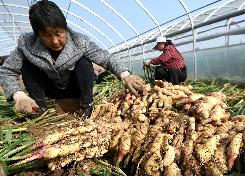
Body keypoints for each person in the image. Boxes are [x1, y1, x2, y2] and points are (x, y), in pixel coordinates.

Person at [0, 0, 144, 117]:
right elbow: (6, 71)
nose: (55, 41)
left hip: (75, 88)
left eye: (59, 33)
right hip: (49, 89)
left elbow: (106, 58)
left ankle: (87, 105)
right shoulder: (27, 44)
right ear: (37, 34)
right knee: (28, 66)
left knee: (83, 61)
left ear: (65, 27)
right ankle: (38, 109)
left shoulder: (79, 41)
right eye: (47, 36)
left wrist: (125, 75)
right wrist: (18, 95)